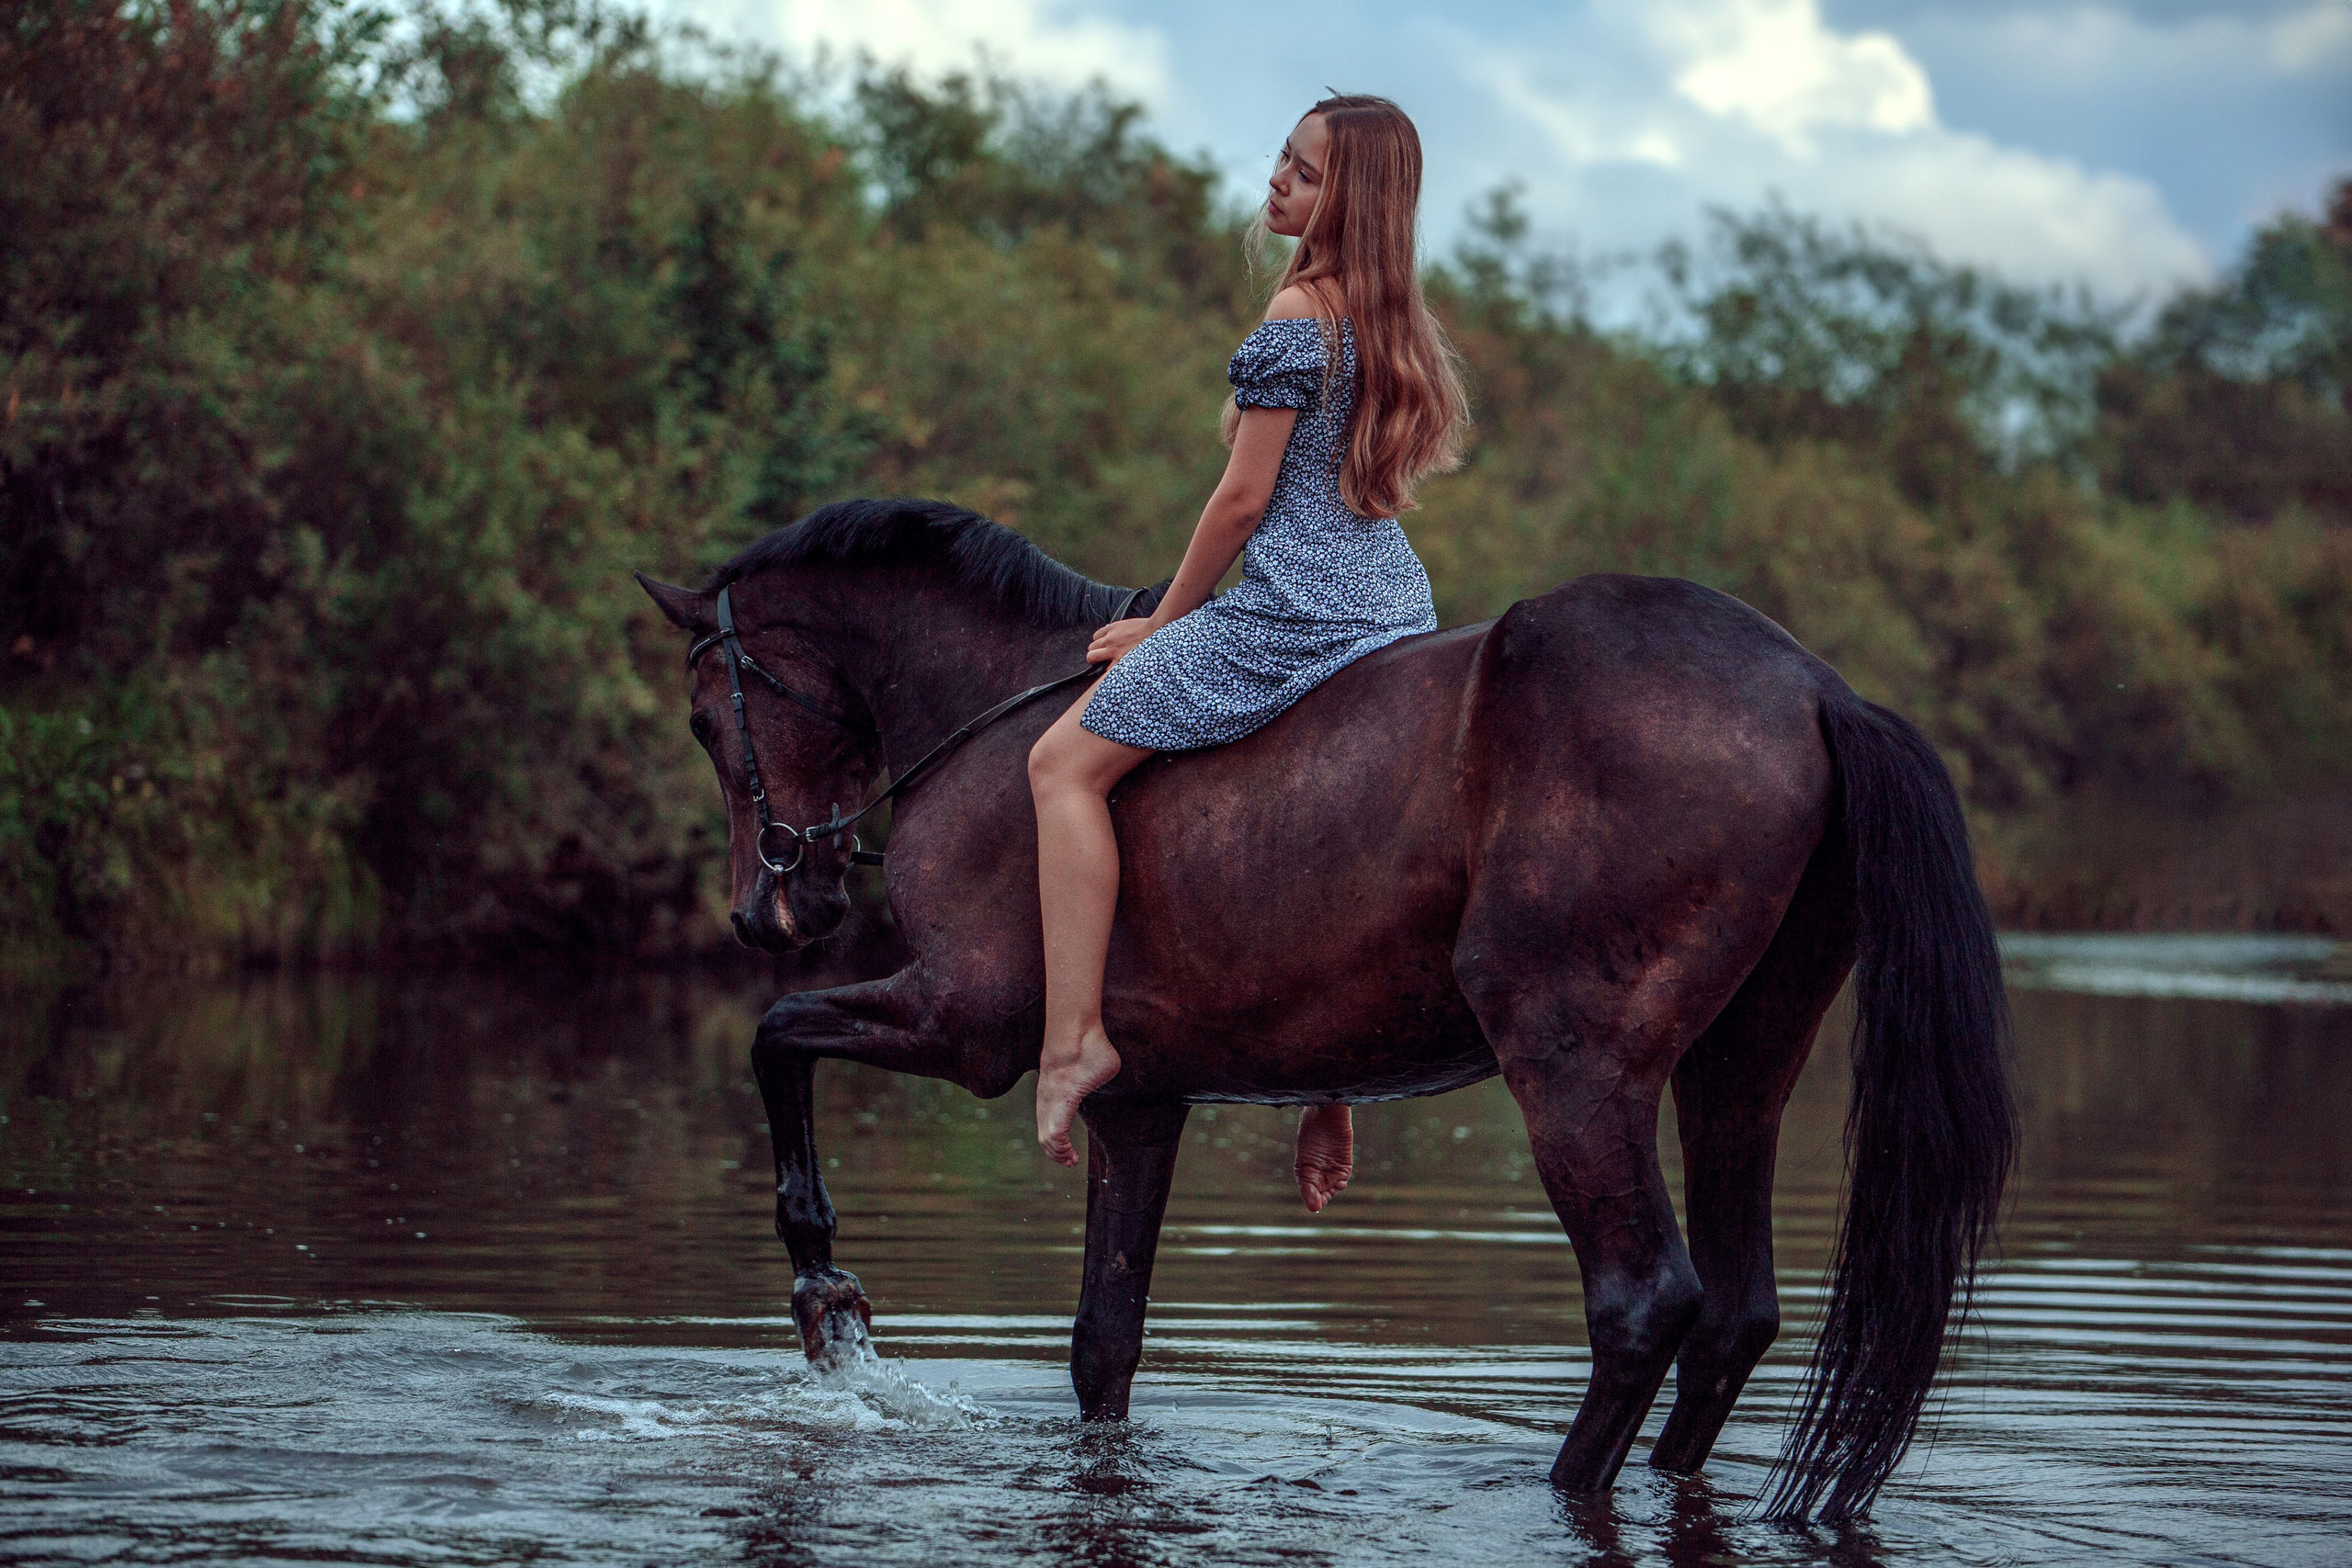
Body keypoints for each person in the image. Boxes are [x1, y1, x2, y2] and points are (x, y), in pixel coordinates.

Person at [1027, 94, 1469, 1213]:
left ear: (1350, 203)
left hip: (1291, 616)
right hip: (1393, 610)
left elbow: (1238, 504)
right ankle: (1331, 1091)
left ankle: (1074, 1038)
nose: (1278, 180)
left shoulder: (1295, 313)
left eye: (1308, 174)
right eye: (1283, 157)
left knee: (1059, 767)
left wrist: (1167, 622)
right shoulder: (1387, 318)